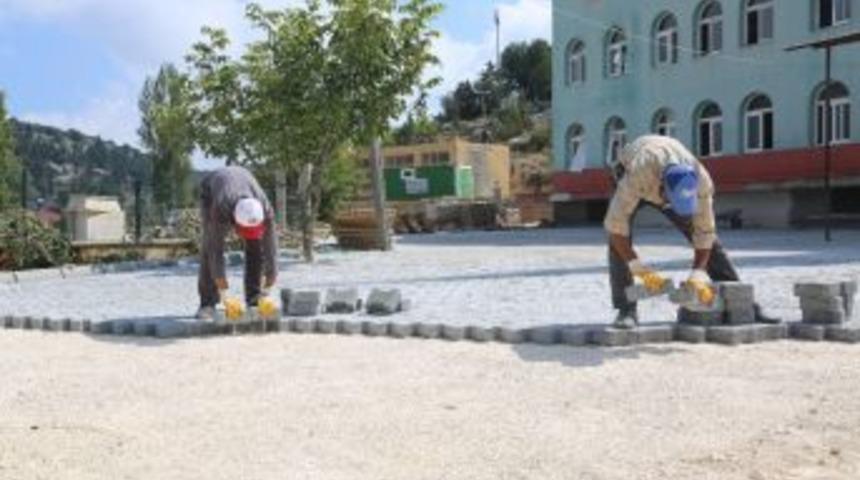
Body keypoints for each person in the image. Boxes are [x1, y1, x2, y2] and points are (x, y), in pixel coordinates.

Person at [604, 135, 778, 329]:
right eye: (669, 202)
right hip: (630, 171)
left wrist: (698, 271)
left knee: (711, 243)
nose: (670, 207)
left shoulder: (701, 183)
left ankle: (743, 304)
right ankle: (626, 310)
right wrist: (640, 270)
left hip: (666, 172)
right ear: (662, 189)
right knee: (618, 241)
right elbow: (615, 228)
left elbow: (705, 232)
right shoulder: (638, 176)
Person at [196, 166, 278, 320]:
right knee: (208, 246)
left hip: (242, 181)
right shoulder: (221, 208)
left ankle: (254, 297)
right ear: (234, 220)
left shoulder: (265, 210)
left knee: (255, 246)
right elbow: (216, 248)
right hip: (211, 190)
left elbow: (270, 244)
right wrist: (221, 283)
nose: (246, 235)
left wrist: (272, 273)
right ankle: (207, 303)